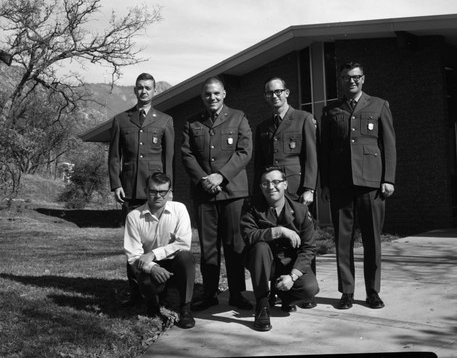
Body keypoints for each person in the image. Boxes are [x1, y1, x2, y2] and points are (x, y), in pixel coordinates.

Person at [320, 62, 396, 310]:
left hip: (371, 184)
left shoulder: (379, 105)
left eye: (355, 77)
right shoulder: (331, 110)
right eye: (345, 77)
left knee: (373, 240)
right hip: (341, 184)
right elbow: (325, 151)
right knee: (343, 241)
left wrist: (389, 179)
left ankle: (373, 292)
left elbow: (389, 145)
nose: (351, 81)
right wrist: (326, 184)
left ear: (363, 79)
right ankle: (347, 292)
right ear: (340, 81)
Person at [181, 76, 253, 311]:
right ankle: (210, 293)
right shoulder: (192, 123)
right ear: (202, 97)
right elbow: (187, 154)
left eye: (216, 93)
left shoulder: (238, 117)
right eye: (207, 94)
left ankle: (237, 294)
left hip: (233, 193)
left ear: (224, 94)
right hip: (205, 194)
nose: (212, 97)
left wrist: (221, 176)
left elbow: (244, 151)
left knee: (235, 246)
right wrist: (204, 180)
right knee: (209, 248)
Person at [109, 72, 175, 306]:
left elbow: (169, 159)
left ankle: (161, 291)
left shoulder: (165, 120)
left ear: (154, 90)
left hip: (156, 191)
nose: (144, 91)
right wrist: (116, 184)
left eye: (148, 87)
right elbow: (115, 157)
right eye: (140, 87)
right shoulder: (121, 120)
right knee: (133, 243)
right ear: (134, 90)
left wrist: (169, 189)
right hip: (130, 189)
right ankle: (136, 292)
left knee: (158, 241)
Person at [253, 76, 318, 309]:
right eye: (270, 93)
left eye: (278, 91)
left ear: (287, 92)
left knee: (302, 238)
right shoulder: (263, 127)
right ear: (265, 97)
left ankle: (300, 291)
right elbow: (259, 165)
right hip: (272, 192)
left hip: (296, 190)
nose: (275, 96)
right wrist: (258, 193)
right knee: (275, 241)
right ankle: (277, 290)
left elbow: (311, 156)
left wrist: (309, 188)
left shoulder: (303, 119)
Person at [241, 166, 319, 331]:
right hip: (263, 261)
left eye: (276, 182)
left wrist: (293, 276)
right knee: (260, 247)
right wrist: (278, 231)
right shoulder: (251, 205)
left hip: (288, 263)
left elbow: (309, 248)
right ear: (261, 186)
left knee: (309, 289)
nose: (271, 187)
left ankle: (285, 296)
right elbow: (248, 235)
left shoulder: (301, 210)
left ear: (285, 184)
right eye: (265, 183)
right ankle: (262, 306)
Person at [124, 172, 196, 329]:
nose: (158, 196)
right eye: (153, 191)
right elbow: (133, 256)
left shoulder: (179, 209)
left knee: (186, 257)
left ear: (170, 193)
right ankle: (153, 303)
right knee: (144, 277)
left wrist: (153, 254)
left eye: (162, 192)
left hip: (173, 262)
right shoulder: (134, 217)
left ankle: (185, 309)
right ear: (146, 191)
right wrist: (153, 267)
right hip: (149, 265)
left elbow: (183, 243)